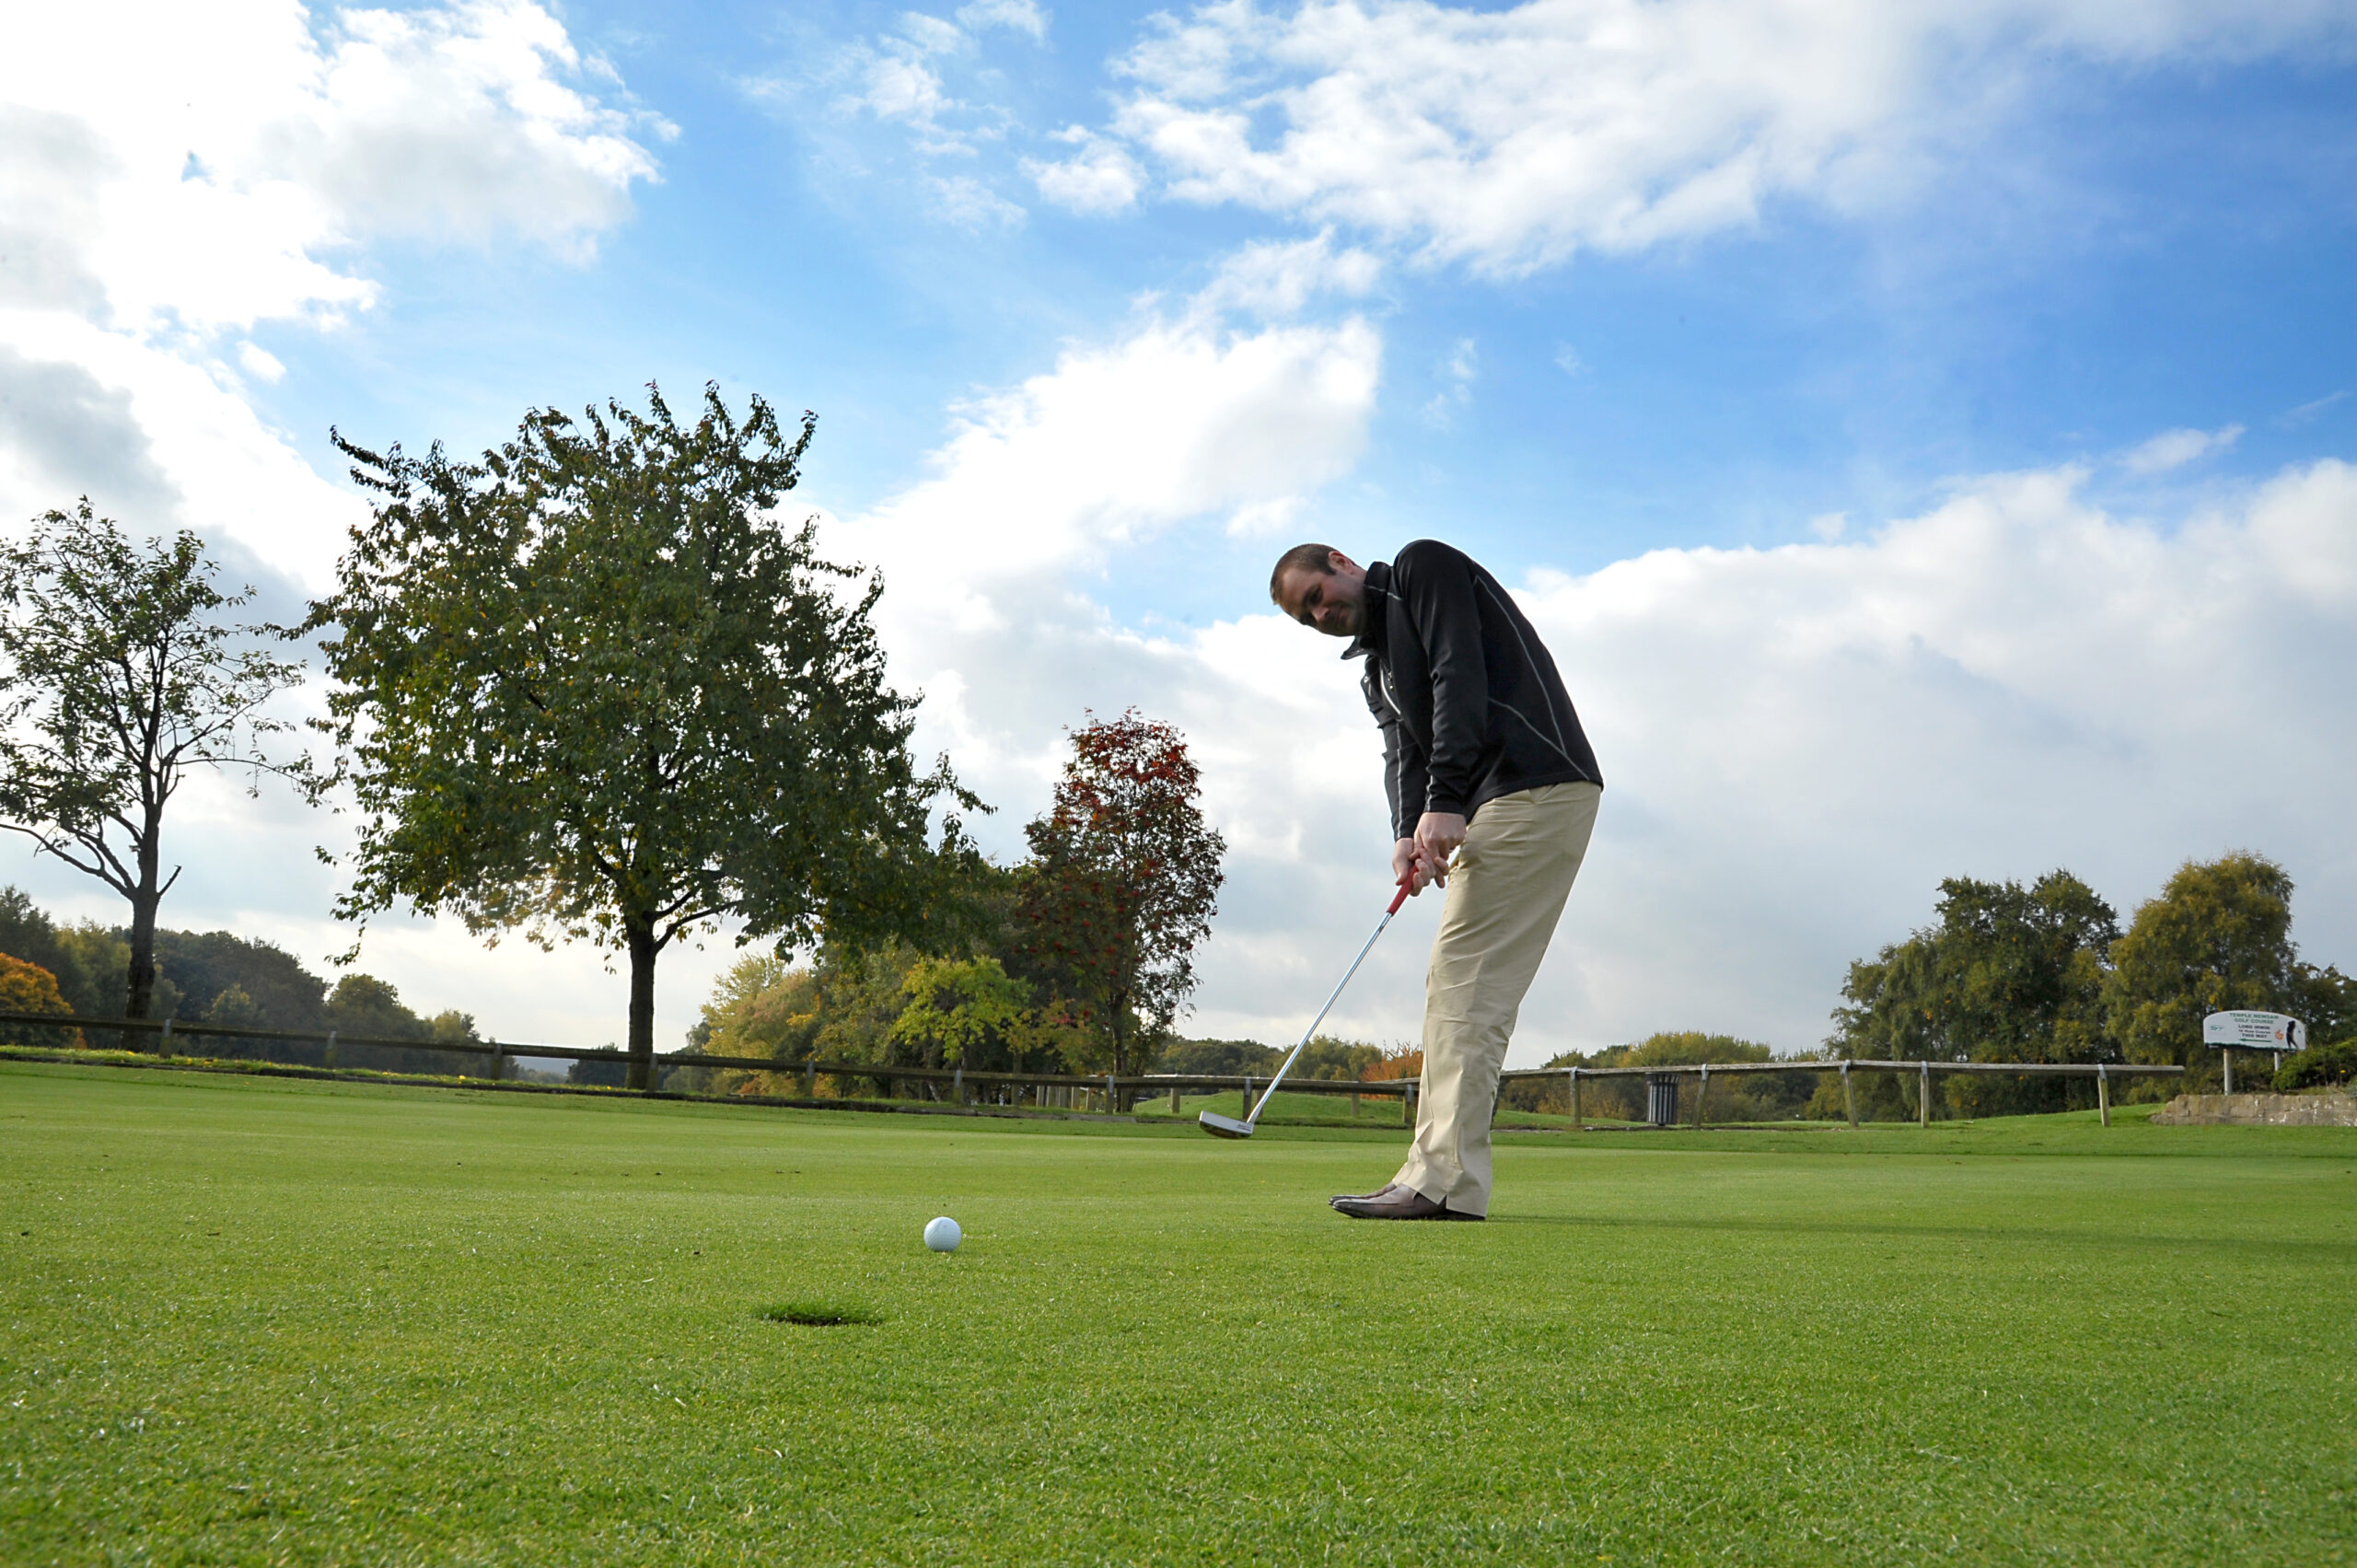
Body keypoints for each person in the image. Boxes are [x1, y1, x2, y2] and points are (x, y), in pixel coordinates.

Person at [1270, 540, 1602, 1220]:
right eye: (1308, 617)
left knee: (1465, 981)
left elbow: (1459, 673)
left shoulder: (1423, 568)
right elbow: (1404, 751)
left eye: (1317, 595)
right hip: (1497, 800)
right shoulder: (1378, 667)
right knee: (1457, 983)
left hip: (1531, 782)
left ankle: (1441, 1182)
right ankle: (1444, 1178)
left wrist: (1446, 800)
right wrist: (1407, 832)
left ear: (1340, 561)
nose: (1321, 613)